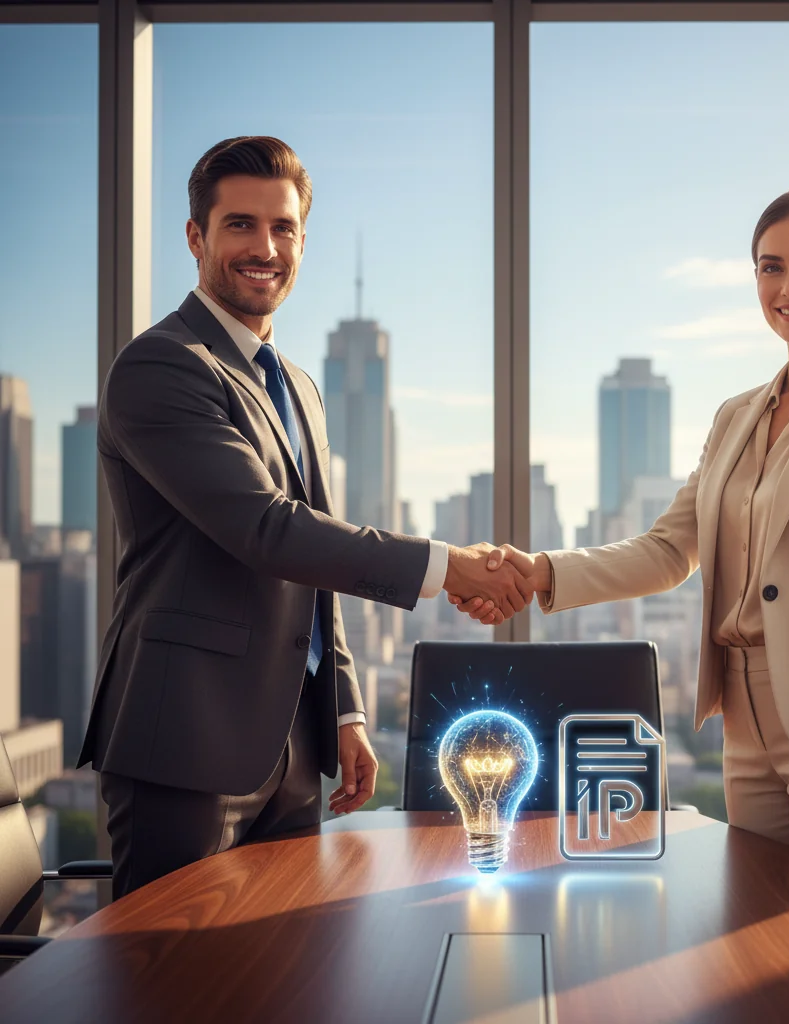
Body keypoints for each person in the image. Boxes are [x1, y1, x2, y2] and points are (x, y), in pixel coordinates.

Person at [453, 186, 789, 899]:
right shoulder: (735, 416)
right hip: (742, 719)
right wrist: (541, 571)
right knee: (754, 928)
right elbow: (668, 550)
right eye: (771, 267)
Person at [79, 136, 529, 898]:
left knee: (282, 954)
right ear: (195, 237)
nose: (265, 248)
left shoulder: (298, 387)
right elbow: (269, 530)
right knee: (174, 962)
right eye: (240, 225)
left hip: (292, 746)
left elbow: (314, 564)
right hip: (185, 738)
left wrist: (344, 710)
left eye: (283, 228)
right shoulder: (162, 366)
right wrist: (450, 565)